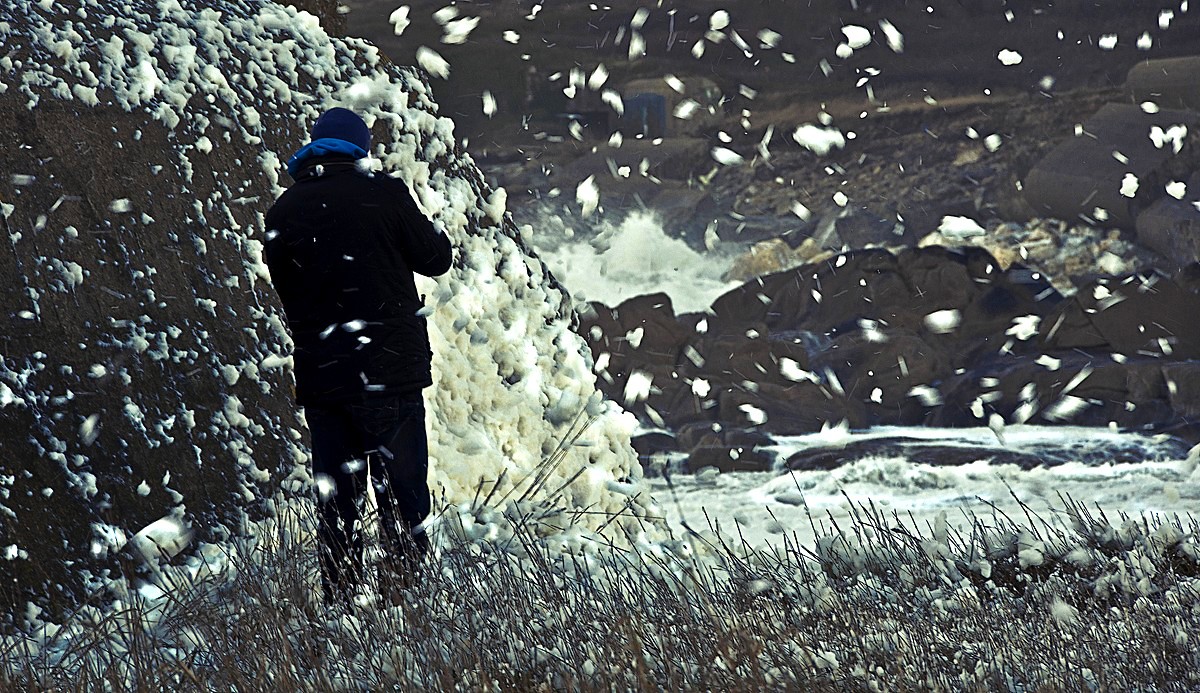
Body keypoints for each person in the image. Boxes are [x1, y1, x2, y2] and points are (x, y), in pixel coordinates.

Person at [264, 107, 453, 604]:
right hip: (388, 372)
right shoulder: (384, 194)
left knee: (338, 503)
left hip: (326, 376)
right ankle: (405, 602)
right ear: (361, 149)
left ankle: (343, 605)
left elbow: (288, 288)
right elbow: (436, 259)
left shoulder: (284, 210)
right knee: (403, 494)